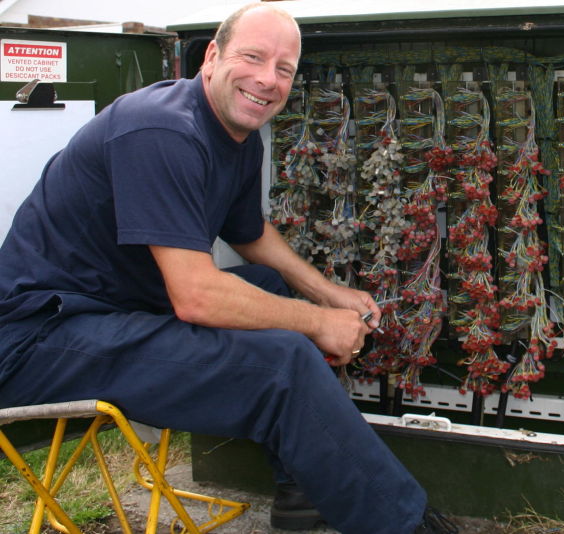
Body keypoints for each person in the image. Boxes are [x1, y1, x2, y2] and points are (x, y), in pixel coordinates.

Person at [0, 4, 457, 534]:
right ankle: (408, 525)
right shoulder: (161, 129)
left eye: (284, 69)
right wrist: (316, 323)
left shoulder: (235, 134)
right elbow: (196, 297)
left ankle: (303, 493)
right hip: (38, 337)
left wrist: (326, 293)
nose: (267, 79)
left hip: (118, 308)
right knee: (284, 361)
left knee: (268, 290)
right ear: (212, 57)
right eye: (253, 57)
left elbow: (249, 234)